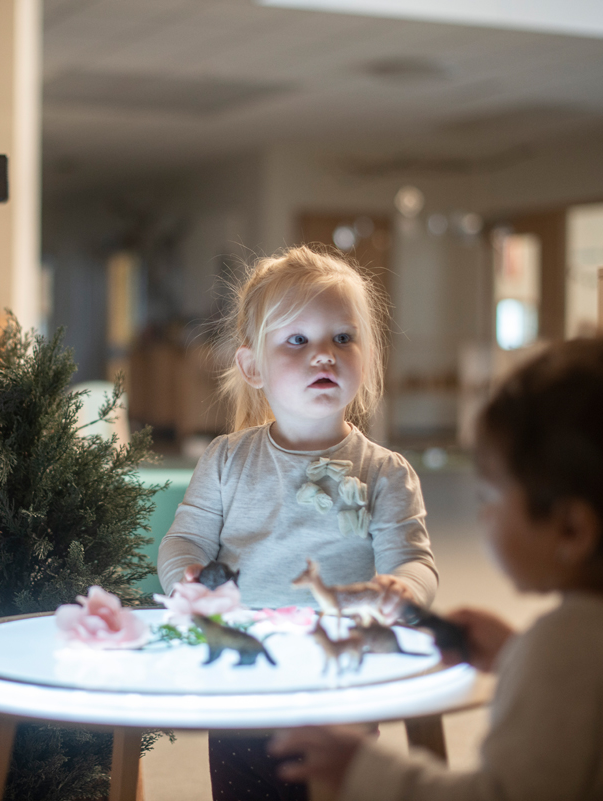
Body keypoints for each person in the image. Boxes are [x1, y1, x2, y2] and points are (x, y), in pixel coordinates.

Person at [269, 336, 603, 801]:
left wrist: (363, 770)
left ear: (571, 530)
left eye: (490, 497)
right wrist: (518, 657)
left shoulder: (563, 651)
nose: (482, 517)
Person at [156, 245, 439, 800]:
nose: (324, 355)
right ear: (252, 367)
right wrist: (185, 578)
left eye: (343, 337)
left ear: (367, 358)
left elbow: (414, 561)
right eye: (297, 340)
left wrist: (404, 589)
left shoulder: (385, 473)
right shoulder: (226, 460)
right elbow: (184, 539)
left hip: (341, 686)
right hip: (243, 684)